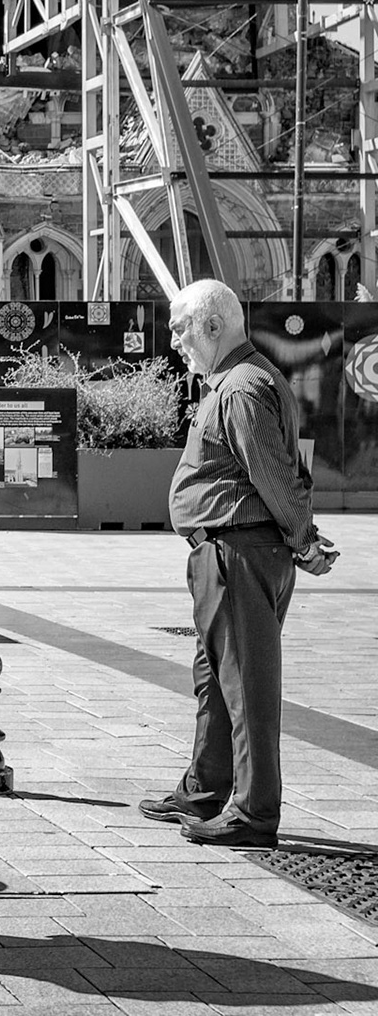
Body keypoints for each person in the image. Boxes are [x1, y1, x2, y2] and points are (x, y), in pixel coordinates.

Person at [143, 279, 337, 849]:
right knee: (214, 678)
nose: (174, 338)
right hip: (226, 551)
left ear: (212, 325)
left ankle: (254, 813)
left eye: (180, 327)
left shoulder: (243, 387)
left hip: (239, 552)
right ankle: (205, 787)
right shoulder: (231, 382)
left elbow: (272, 474)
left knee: (246, 685)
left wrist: (304, 539)